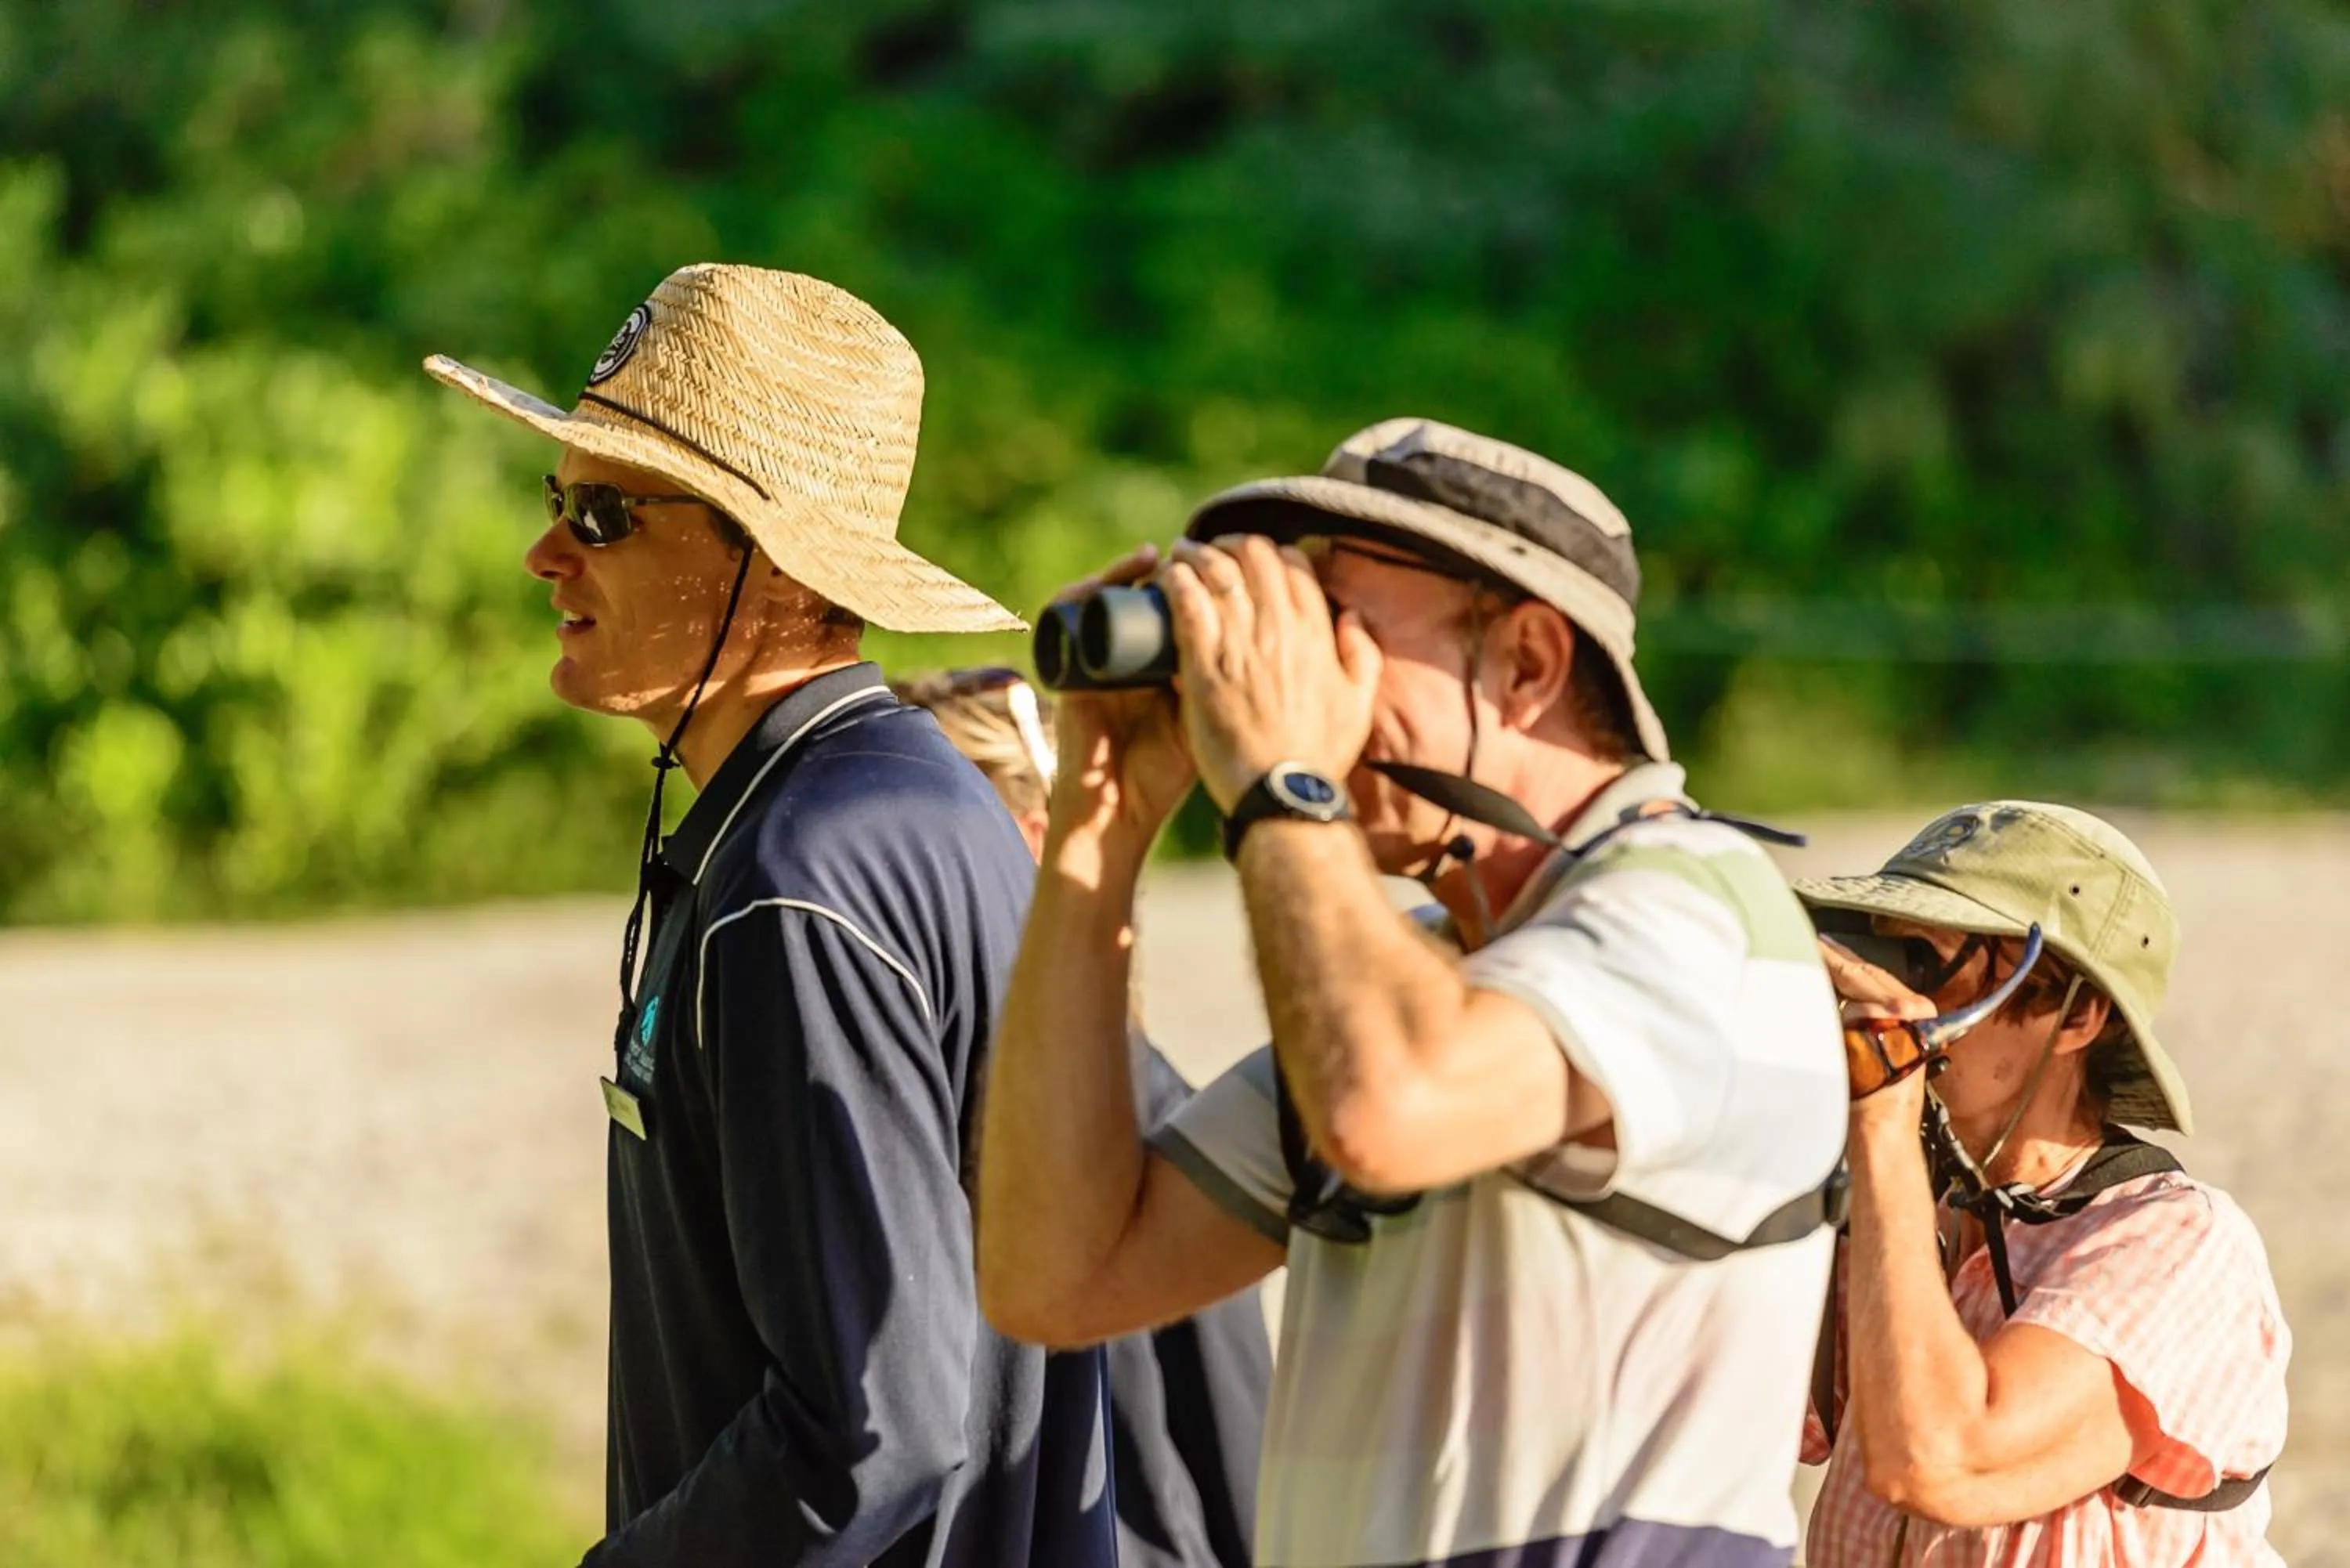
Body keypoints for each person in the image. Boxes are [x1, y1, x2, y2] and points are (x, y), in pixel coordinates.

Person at [974, 417, 1850, 1567]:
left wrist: (1280, 777)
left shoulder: (1700, 911)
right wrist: (1103, 826)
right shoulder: (1425, 967)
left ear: (1529, 664)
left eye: (1344, 633)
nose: (1301, 681)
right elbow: (1056, 1276)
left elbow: (1388, 1108)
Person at [423, 264, 1115, 1566]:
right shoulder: (912, 802)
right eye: (555, 498)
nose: (545, 553)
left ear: (776, 562)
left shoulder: (803, 877)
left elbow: (872, 1430)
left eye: (608, 512)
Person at [1797, 802, 2290, 1564]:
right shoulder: (1890, 1193)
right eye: (1886, 957)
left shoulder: (2181, 1243)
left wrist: (1884, 1120)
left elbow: (1939, 1459)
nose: (1896, 993)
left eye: (1928, 961)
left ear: (2077, 1014)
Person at [893, 666, 1272, 1568]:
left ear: (1035, 843)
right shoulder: (911, 1112)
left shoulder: (1153, 1124)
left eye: (925, 856)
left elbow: (1239, 1469)